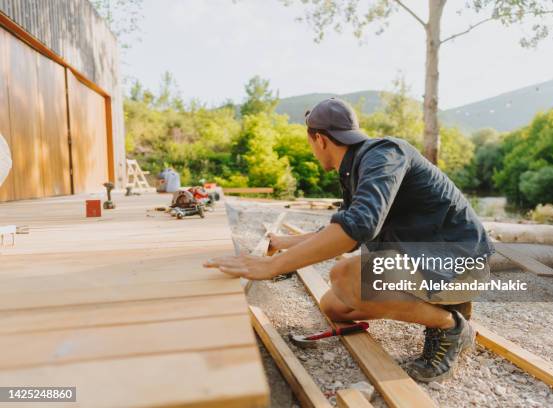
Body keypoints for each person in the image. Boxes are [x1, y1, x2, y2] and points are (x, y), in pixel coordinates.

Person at [205, 98, 494, 382]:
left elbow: (358, 227)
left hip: (461, 264)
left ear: (319, 139)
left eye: (310, 144)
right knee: (335, 307)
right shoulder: (359, 168)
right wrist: (283, 243)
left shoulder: (383, 154)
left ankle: (450, 325)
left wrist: (273, 266)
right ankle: (437, 306)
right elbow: (344, 227)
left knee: (345, 277)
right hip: (430, 262)